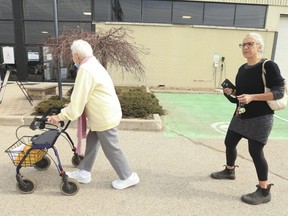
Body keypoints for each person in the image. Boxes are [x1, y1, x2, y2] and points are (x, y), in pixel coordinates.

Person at [48, 39, 140, 190]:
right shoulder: (94, 64)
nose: (72, 58)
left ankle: (128, 176)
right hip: (105, 113)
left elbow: (78, 100)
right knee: (92, 142)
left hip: (104, 116)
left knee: (111, 147)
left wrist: (60, 116)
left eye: (72, 55)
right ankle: (84, 172)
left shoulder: (85, 70)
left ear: (76, 56)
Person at [210, 32, 285, 205]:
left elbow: (279, 92)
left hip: (261, 117)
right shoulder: (242, 69)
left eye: (249, 44)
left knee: (256, 152)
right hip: (241, 115)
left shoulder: (268, 66)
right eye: (243, 45)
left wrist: (253, 97)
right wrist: (230, 93)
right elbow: (240, 97)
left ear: (259, 46)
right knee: (229, 142)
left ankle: (264, 190)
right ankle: (229, 171)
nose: (245, 47)